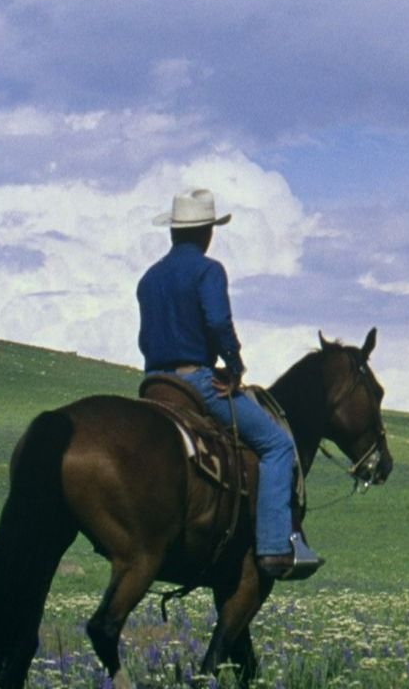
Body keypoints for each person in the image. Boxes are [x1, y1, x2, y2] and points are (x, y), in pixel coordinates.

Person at [135, 188, 321, 580]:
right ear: (207, 233)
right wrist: (234, 367)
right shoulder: (208, 271)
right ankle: (274, 547)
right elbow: (218, 322)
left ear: (173, 232)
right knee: (276, 445)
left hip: (154, 385)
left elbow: (145, 338)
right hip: (196, 382)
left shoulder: (149, 279)